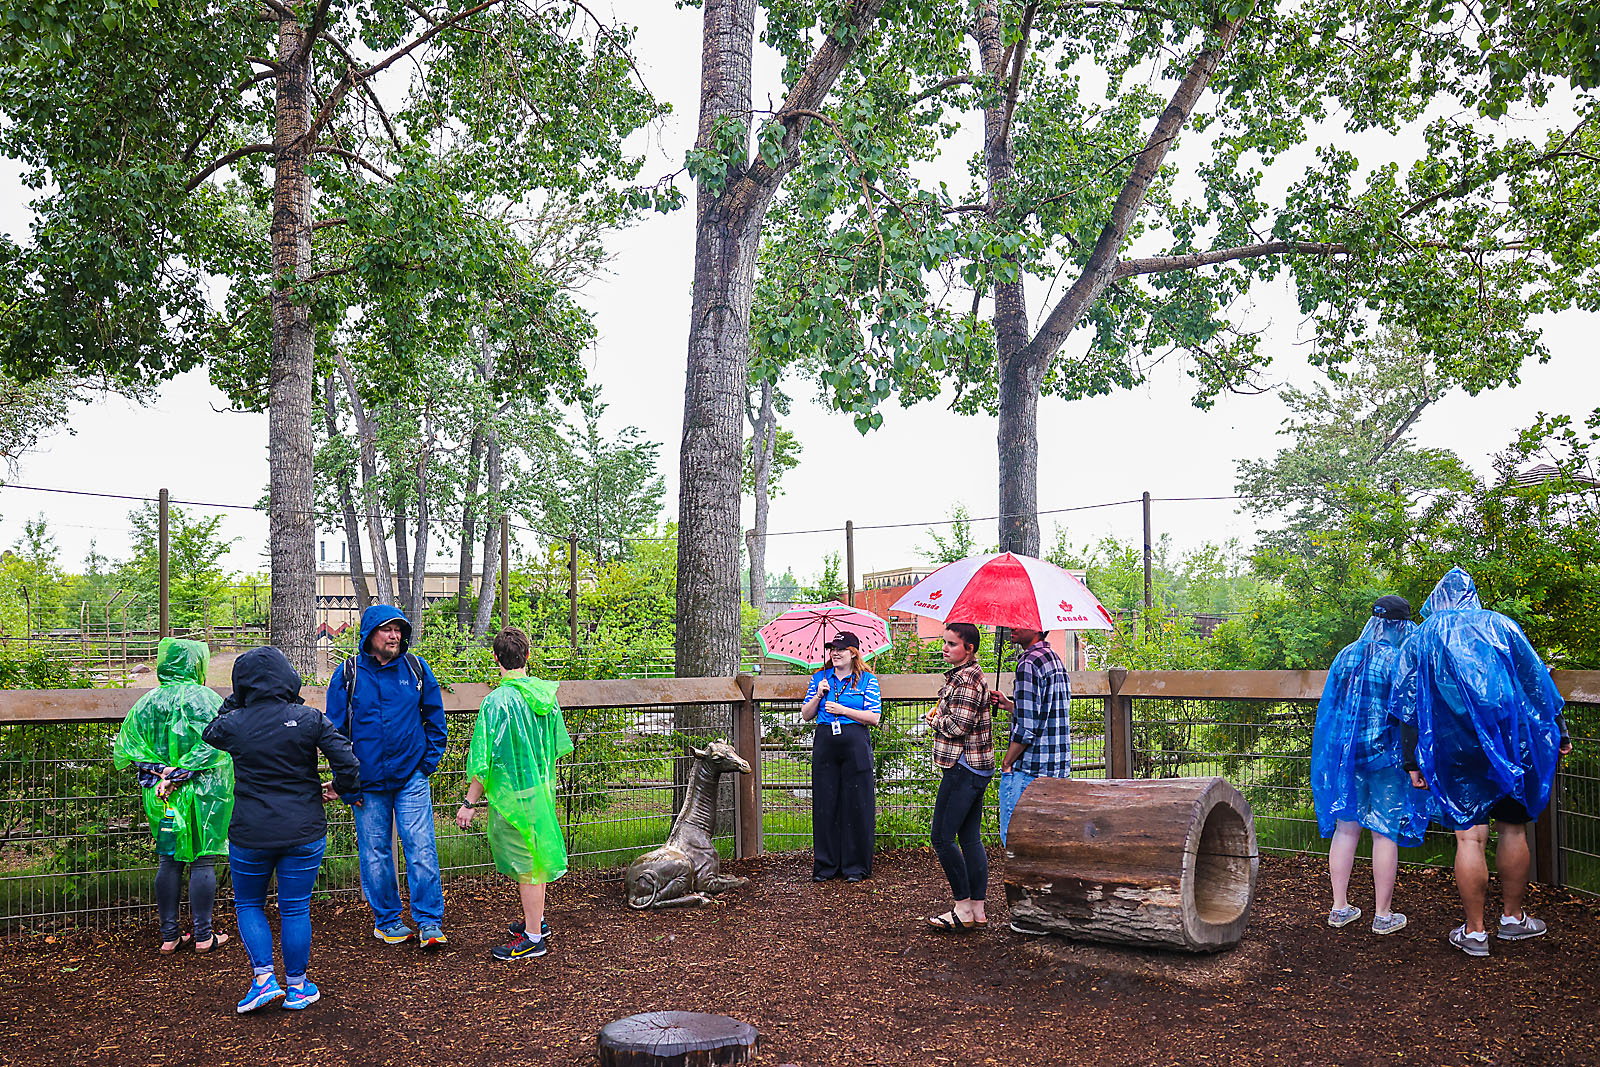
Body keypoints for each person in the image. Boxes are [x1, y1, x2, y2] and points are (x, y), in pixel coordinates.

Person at [1390, 567, 1573, 957]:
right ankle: (1513, 918)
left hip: (1453, 749)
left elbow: (1408, 706)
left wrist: (1412, 761)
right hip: (1510, 743)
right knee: (1512, 830)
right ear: (1472, 595)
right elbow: (1538, 685)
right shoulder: (1503, 627)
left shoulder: (1423, 637)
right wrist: (1561, 731)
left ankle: (1475, 933)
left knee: (1469, 837)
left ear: (1438, 598)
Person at [202, 646, 360, 1012]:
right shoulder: (308, 718)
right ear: (288, 676)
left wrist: (237, 699)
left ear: (242, 685)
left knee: (249, 903)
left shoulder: (233, 724)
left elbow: (210, 731)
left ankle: (262, 980)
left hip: (250, 832)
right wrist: (341, 788)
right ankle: (298, 986)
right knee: (294, 908)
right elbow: (348, 762)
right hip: (304, 828)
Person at [325, 604, 448, 949]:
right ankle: (388, 921)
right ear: (369, 634)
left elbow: (435, 719)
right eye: (387, 630)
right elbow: (335, 735)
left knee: (421, 848)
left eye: (399, 630)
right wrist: (347, 783)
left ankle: (429, 922)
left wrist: (426, 765)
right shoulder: (348, 674)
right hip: (367, 784)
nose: (394, 636)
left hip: (411, 776)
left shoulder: (416, 668)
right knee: (375, 852)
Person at [454, 627, 574, 962]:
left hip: (513, 793)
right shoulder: (546, 698)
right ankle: (537, 922)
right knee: (535, 857)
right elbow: (555, 747)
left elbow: (484, 759)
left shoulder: (496, 702)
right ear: (528, 656)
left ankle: (533, 938)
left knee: (527, 866)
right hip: (540, 790)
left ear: (496, 658)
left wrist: (469, 802)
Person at [1311, 595, 1427, 936]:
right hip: (1385, 758)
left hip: (1346, 756)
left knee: (1346, 828)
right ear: (1402, 624)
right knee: (1384, 831)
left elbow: (1331, 708)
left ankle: (1339, 907)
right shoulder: (1399, 659)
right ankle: (1383, 914)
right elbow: (1409, 711)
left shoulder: (1346, 655)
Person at [112, 638, 234, 954]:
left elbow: (129, 747)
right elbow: (217, 743)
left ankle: (169, 936)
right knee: (202, 859)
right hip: (204, 792)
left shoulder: (148, 702)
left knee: (169, 861)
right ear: (198, 664)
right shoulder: (206, 699)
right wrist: (183, 773)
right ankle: (203, 936)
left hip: (161, 792)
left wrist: (163, 773)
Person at [924, 622, 994, 932]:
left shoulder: (967, 680)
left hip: (963, 767)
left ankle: (962, 905)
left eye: (952, 644)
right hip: (976, 766)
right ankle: (977, 909)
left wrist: (936, 719)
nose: (945, 648)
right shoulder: (969, 677)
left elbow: (957, 728)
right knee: (968, 837)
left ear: (970, 649)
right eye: (945, 642)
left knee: (941, 836)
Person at [800, 631, 883, 882]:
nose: (835, 653)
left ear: (853, 653)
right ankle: (826, 865)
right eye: (832, 649)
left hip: (855, 744)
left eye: (841, 649)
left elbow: (874, 718)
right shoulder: (819, 678)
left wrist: (843, 709)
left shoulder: (867, 681)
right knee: (826, 804)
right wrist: (818, 695)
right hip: (826, 743)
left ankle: (855, 866)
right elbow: (806, 714)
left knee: (857, 803)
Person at [993, 626, 1071, 847]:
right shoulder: (1053, 659)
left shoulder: (1027, 664)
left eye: (1021, 621)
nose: (1012, 627)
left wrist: (1007, 762)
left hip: (1030, 770)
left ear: (1038, 628)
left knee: (1017, 844)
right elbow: (1045, 709)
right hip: (1056, 769)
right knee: (1048, 844)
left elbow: (1026, 729)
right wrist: (1010, 706)